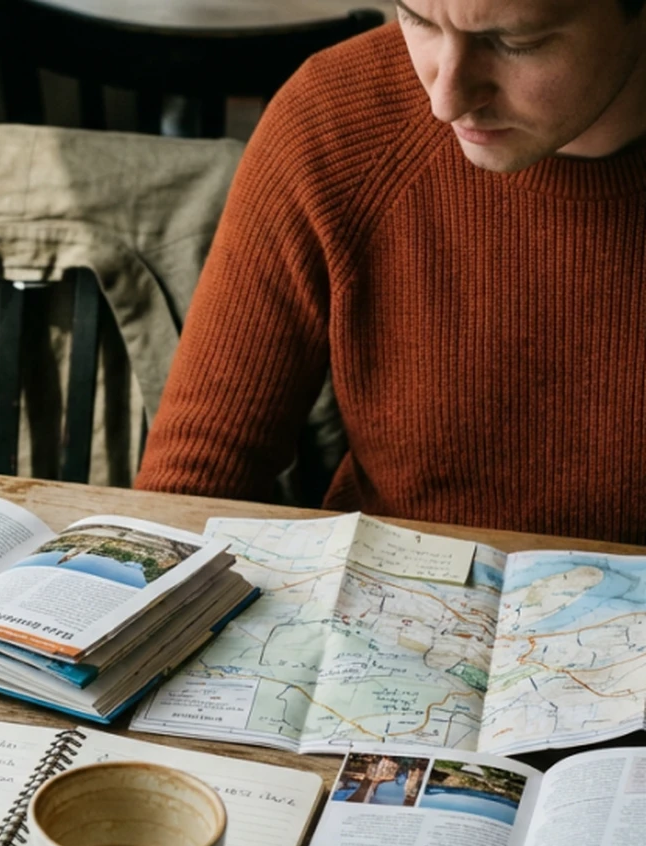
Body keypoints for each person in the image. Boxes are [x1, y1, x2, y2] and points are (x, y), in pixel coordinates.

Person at [135, 0, 646, 544]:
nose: (445, 100)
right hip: (382, 610)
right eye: (418, 19)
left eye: (514, 42)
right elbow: (195, 478)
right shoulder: (337, 114)